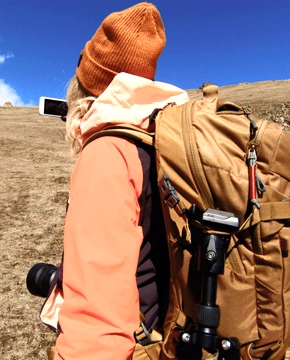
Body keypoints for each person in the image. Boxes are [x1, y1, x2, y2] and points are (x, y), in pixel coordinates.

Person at [40, 3, 190, 359]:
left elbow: (98, 319)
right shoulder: (161, 142)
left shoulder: (109, 151)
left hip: (137, 343)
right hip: (167, 332)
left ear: (86, 84)